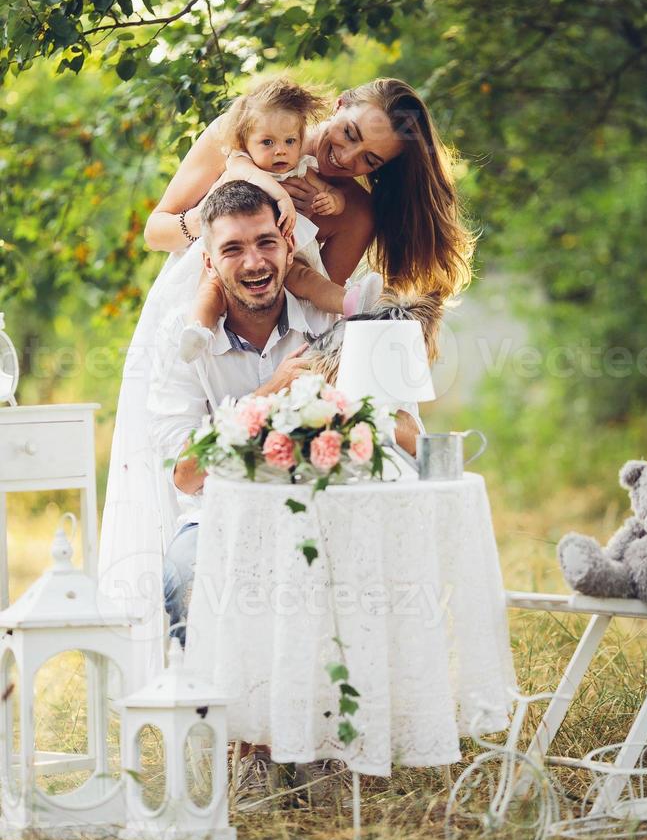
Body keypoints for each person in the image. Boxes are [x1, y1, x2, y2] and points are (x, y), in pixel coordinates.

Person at [98, 75, 474, 674]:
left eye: (367, 158)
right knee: (174, 475)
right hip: (191, 305)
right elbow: (156, 230)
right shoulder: (254, 126)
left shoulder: (353, 209)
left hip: (269, 319)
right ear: (341, 104)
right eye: (348, 134)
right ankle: (186, 673)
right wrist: (229, 209)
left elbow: (308, 307)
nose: (343, 157)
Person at [148, 179, 423, 647]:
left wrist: (341, 395)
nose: (254, 262)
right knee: (181, 574)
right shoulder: (182, 338)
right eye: (233, 249)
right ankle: (209, 716)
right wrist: (270, 394)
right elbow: (187, 474)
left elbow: (414, 439)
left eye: (266, 243)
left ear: (288, 244)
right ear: (209, 262)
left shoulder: (342, 314)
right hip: (223, 518)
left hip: (337, 510)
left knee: (387, 573)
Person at [178, 75, 383, 363]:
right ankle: (198, 331)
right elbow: (252, 177)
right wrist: (282, 197)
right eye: (267, 142)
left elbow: (330, 193)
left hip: (287, 254)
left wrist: (332, 203)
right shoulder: (241, 159)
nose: (280, 150)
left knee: (307, 279)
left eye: (290, 141)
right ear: (246, 141)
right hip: (232, 258)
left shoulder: (300, 166)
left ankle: (351, 301)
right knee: (212, 289)